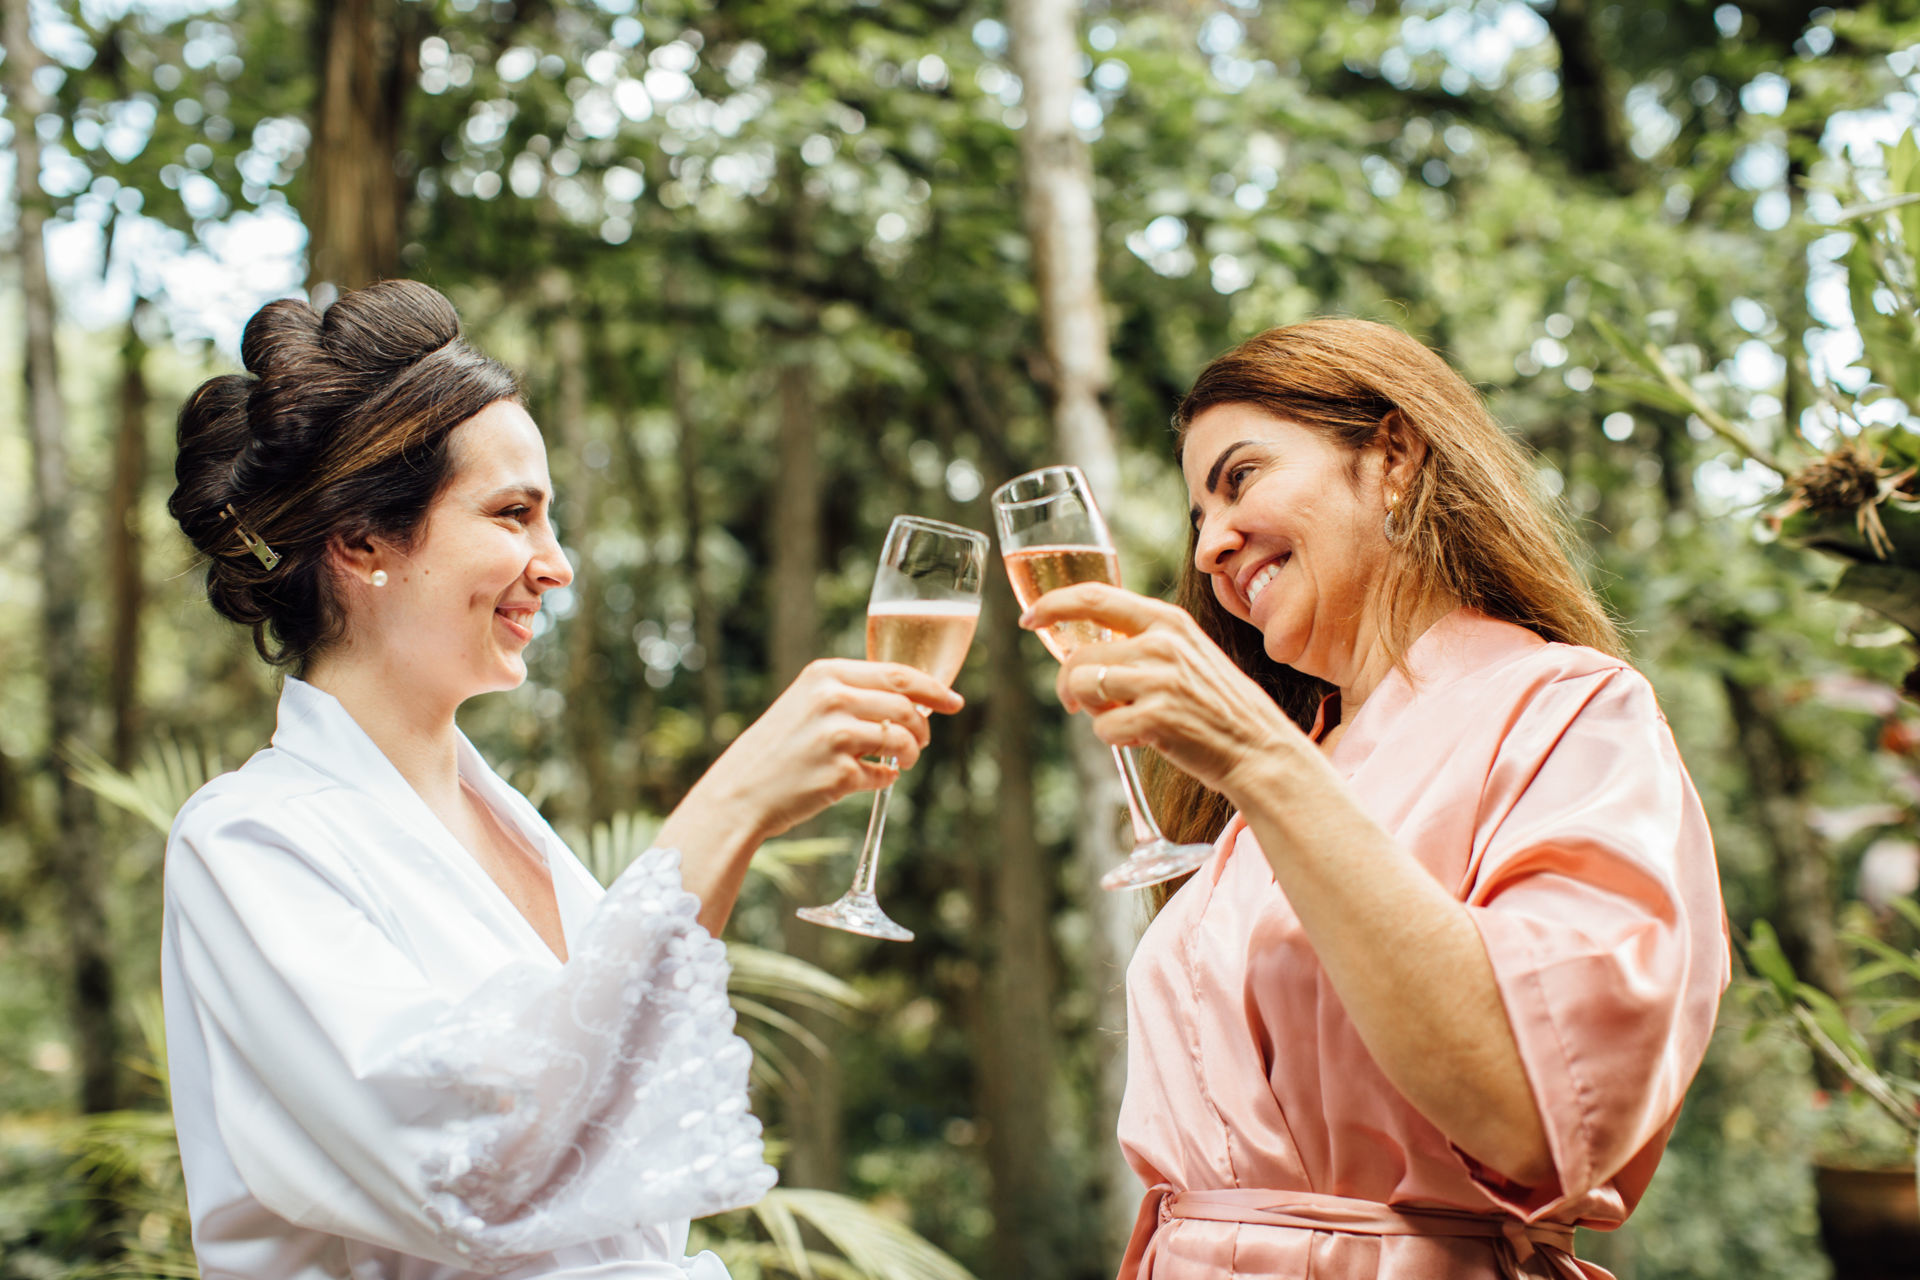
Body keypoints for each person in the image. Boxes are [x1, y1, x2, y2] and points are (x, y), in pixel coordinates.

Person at [160, 280, 961, 1280]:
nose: (557, 563)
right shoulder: (248, 838)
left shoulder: (512, 827)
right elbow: (473, 1167)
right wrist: (733, 804)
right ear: (361, 540)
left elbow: (618, 1126)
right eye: (513, 514)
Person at [1020, 318, 1728, 1280]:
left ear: (1393, 456)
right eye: (1197, 518)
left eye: (1240, 479)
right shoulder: (1281, 776)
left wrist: (1262, 762)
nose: (1212, 546)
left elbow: (1537, 1116)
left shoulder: (1573, 710)